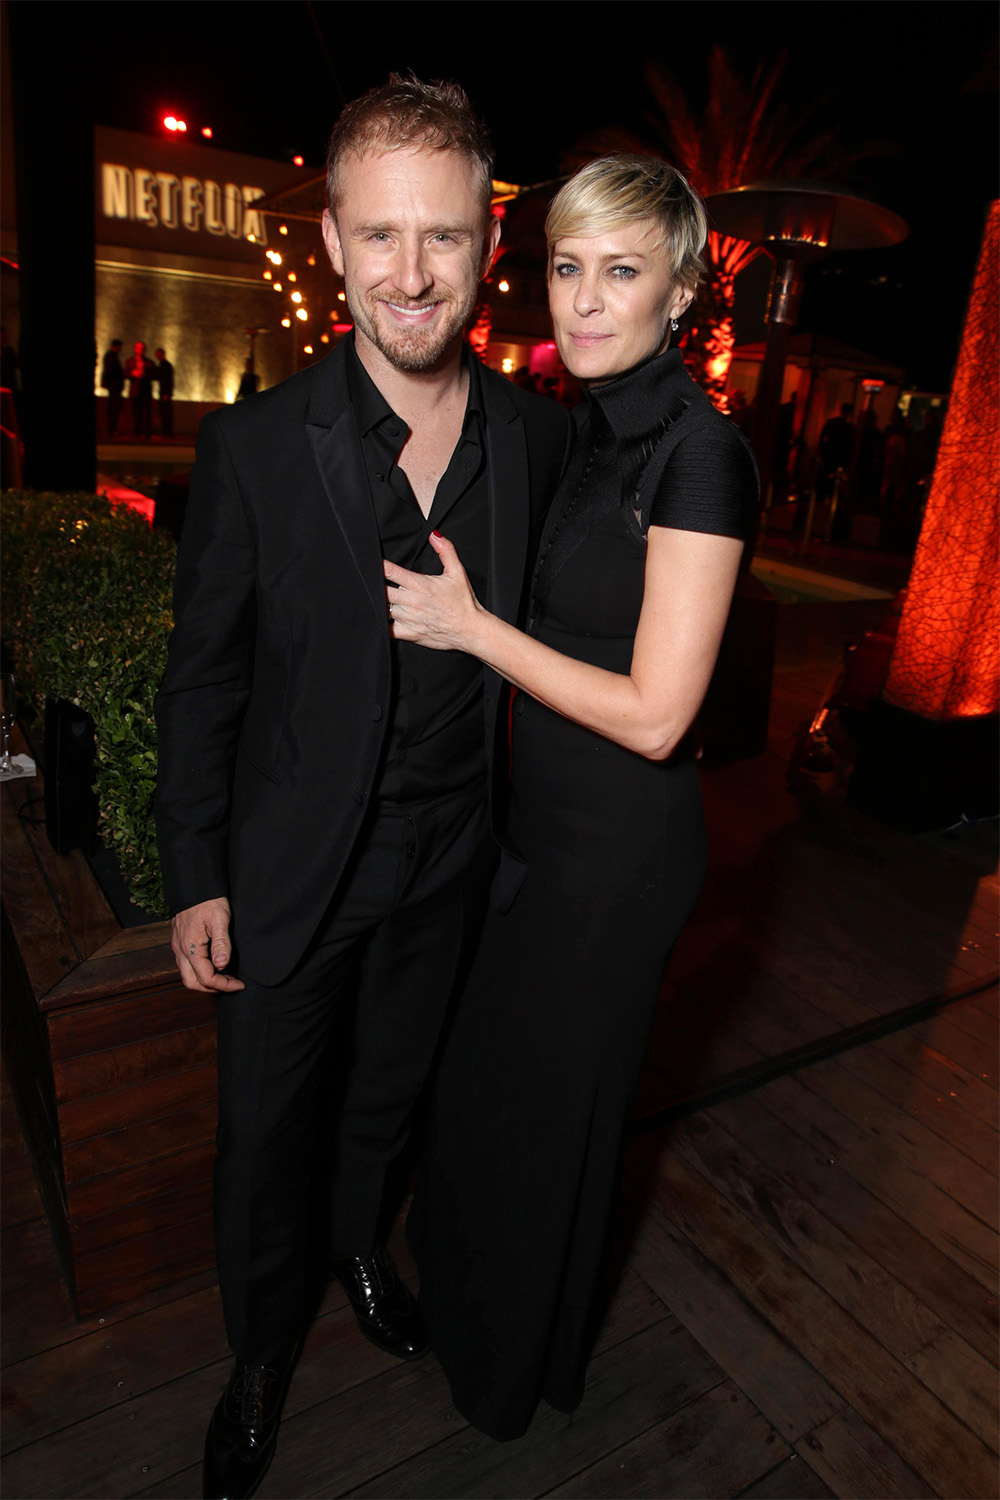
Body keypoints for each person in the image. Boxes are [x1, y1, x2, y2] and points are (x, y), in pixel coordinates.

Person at [153, 75, 568, 1500]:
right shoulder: (257, 449)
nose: (412, 274)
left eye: (442, 238)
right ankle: (258, 1351)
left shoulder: (531, 439)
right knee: (265, 1127)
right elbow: (202, 683)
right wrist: (196, 870)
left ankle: (355, 1248)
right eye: (381, 236)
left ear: (485, 245)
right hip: (289, 873)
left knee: (387, 1097)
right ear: (331, 239)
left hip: (451, 858)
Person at [386, 154, 758, 1441]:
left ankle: (505, 1377)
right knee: (482, 1092)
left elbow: (658, 714)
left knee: (542, 1118)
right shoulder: (588, 429)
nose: (585, 302)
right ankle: (476, 1316)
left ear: (680, 290)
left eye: (620, 271)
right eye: (563, 267)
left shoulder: (701, 459)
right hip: (531, 832)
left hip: (614, 859)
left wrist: (471, 630)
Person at [125, 340, 154, 437]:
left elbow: (155, 375)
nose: (140, 350)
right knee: (135, 412)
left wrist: (143, 374)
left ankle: (145, 431)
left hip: (145, 391)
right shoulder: (129, 361)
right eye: (138, 348)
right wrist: (132, 374)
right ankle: (136, 430)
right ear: (134, 349)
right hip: (135, 391)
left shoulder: (149, 362)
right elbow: (125, 374)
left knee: (145, 412)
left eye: (141, 348)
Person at [100, 337, 124, 436]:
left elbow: (106, 370)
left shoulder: (109, 355)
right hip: (115, 386)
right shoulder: (112, 356)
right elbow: (111, 371)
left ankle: (112, 428)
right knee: (114, 407)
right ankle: (113, 429)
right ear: (117, 347)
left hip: (112, 385)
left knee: (112, 407)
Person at [154, 347, 174, 437]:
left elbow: (167, 380)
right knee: (165, 412)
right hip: (165, 392)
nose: (157, 356)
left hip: (164, 392)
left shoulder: (164, 365)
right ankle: (166, 431)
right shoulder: (165, 364)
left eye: (158, 354)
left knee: (165, 413)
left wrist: (166, 393)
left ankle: (166, 431)